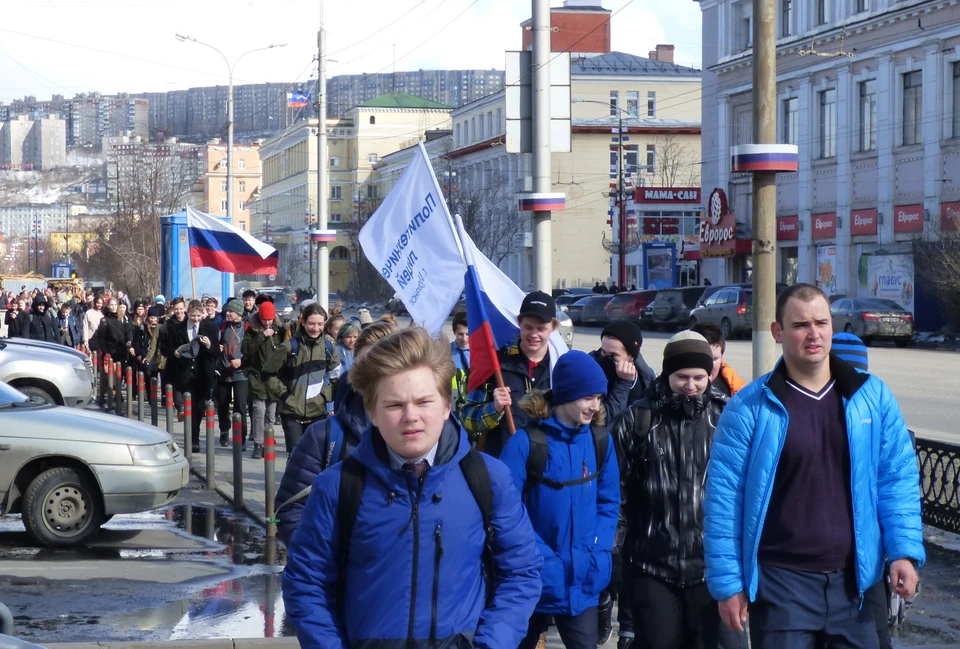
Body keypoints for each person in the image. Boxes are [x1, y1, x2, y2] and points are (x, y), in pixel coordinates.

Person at [281, 327, 543, 649]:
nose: (411, 417)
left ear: (446, 406)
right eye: (394, 405)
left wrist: (493, 644)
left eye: (423, 401)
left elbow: (521, 572)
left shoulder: (490, 478)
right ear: (372, 412)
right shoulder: (337, 487)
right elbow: (306, 583)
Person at [703, 284, 924, 649]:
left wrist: (903, 551)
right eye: (801, 324)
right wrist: (728, 585)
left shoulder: (870, 396)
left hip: (855, 583)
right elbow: (724, 502)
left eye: (821, 323)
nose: (813, 334)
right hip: (780, 586)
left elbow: (895, 479)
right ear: (778, 331)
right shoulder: (748, 408)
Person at [613, 330, 728, 649]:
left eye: (698, 377)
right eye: (682, 377)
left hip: (709, 567)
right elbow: (617, 493)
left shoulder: (725, 417)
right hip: (652, 564)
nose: (690, 386)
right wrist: (614, 553)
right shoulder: (638, 419)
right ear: (667, 373)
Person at [499, 351, 620, 649]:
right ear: (566, 394)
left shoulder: (600, 441)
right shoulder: (525, 443)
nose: (595, 406)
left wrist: (598, 549)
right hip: (531, 580)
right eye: (588, 397)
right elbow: (505, 513)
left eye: (599, 398)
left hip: (582, 581)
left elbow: (609, 502)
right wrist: (540, 559)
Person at [275, 320, 398, 544]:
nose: (374, 375)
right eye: (364, 365)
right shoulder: (323, 437)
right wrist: (323, 566)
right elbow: (291, 511)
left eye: (384, 364)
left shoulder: (424, 438)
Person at [462, 291, 559, 457]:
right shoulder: (495, 364)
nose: (534, 334)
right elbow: (468, 419)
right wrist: (494, 408)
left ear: (554, 327)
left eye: (541, 328)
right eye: (528, 327)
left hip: (547, 466)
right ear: (519, 323)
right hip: (502, 465)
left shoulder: (561, 367)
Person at [271, 302, 341, 452]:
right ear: (303, 322)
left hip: (317, 414)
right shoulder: (289, 347)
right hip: (291, 413)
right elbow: (268, 375)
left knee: (314, 457)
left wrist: (323, 397)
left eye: (320, 324)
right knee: (295, 455)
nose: (315, 328)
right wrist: (285, 397)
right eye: (311, 324)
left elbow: (337, 378)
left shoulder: (329, 348)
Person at [173, 300, 219, 452]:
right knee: (188, 406)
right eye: (193, 316)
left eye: (199, 316)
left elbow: (216, 353)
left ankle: (195, 437)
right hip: (185, 372)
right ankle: (190, 436)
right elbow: (170, 347)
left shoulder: (210, 328)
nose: (196, 319)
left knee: (199, 408)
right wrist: (176, 354)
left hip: (202, 373)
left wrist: (208, 345)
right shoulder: (178, 328)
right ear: (188, 314)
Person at [243, 300, 285, 460]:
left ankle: (268, 442)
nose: (267, 322)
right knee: (258, 411)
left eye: (270, 319)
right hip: (257, 376)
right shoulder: (252, 330)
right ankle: (258, 444)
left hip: (274, 379)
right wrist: (261, 337)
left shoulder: (280, 330)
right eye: (264, 319)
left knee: (271, 414)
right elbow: (246, 350)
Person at [590, 320, 654, 417]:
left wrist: (624, 381)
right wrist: (623, 384)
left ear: (631, 356)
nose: (606, 358)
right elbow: (604, 420)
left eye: (613, 355)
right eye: (603, 351)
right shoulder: (591, 369)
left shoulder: (644, 382)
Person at [216, 299, 249, 448]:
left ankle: (241, 436)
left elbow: (253, 351)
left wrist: (241, 360)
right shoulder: (223, 327)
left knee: (240, 406)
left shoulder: (248, 328)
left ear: (239, 313)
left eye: (231, 311)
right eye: (227, 311)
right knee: (222, 404)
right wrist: (217, 348)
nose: (227, 313)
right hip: (224, 371)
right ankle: (224, 430)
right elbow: (215, 345)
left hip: (241, 373)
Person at [691, 323, 747, 397]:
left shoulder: (736, 389)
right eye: (702, 358)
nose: (709, 365)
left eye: (714, 359)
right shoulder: (674, 388)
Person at [96, 298, 132, 408]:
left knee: (120, 374)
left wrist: (129, 341)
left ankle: (118, 391)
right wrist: (105, 351)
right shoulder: (104, 320)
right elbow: (101, 338)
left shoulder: (122, 318)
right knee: (110, 374)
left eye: (115, 305)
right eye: (111, 305)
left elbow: (128, 331)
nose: (113, 307)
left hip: (121, 350)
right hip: (109, 351)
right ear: (107, 306)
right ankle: (111, 392)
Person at [450, 310, 471, 414]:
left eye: (468, 334)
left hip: (473, 398)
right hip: (454, 399)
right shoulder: (446, 352)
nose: (464, 338)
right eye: (460, 334)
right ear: (454, 332)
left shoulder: (480, 352)